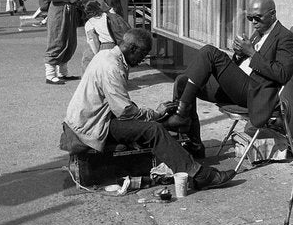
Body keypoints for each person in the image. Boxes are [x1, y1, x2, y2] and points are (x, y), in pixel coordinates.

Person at [62, 27, 236, 190]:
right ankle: (199, 175)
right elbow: (124, 111)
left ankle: (184, 156)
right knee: (154, 129)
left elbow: (119, 104)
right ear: (132, 48)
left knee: (152, 124)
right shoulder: (111, 67)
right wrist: (155, 114)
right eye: (142, 54)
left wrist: (154, 115)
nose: (142, 59)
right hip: (91, 126)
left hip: (92, 119)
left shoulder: (106, 55)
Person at [164, 0, 293, 158]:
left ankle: (181, 115)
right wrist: (239, 54)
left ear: (272, 14)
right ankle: (194, 144)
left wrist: (251, 53)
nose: (254, 23)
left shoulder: (285, 37)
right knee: (182, 82)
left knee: (209, 52)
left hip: (254, 92)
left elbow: (283, 74)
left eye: (258, 18)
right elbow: (244, 63)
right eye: (250, 18)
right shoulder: (258, 33)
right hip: (238, 87)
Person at [44, 0, 84, 85]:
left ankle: (62, 72)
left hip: (70, 12)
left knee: (70, 41)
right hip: (58, 12)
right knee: (57, 40)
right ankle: (50, 75)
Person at [81, 0, 119, 73]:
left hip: (105, 47)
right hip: (117, 45)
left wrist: (97, 55)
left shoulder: (90, 23)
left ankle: (87, 81)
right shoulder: (109, 15)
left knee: (87, 56)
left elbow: (93, 41)